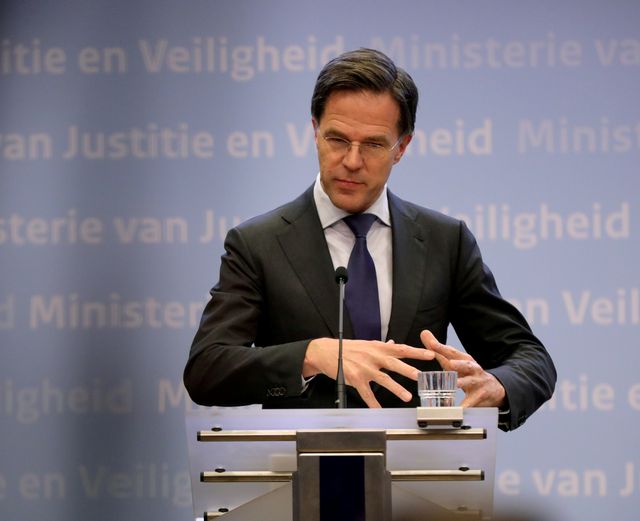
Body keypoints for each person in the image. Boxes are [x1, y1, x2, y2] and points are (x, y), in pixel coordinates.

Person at [183, 48, 555, 431]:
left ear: (402, 147)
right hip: (302, 480)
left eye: (374, 144)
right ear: (315, 131)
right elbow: (207, 369)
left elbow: (529, 357)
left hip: (417, 479)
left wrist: (498, 386)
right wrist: (314, 354)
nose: (352, 160)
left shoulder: (444, 241)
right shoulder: (258, 243)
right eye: (337, 139)